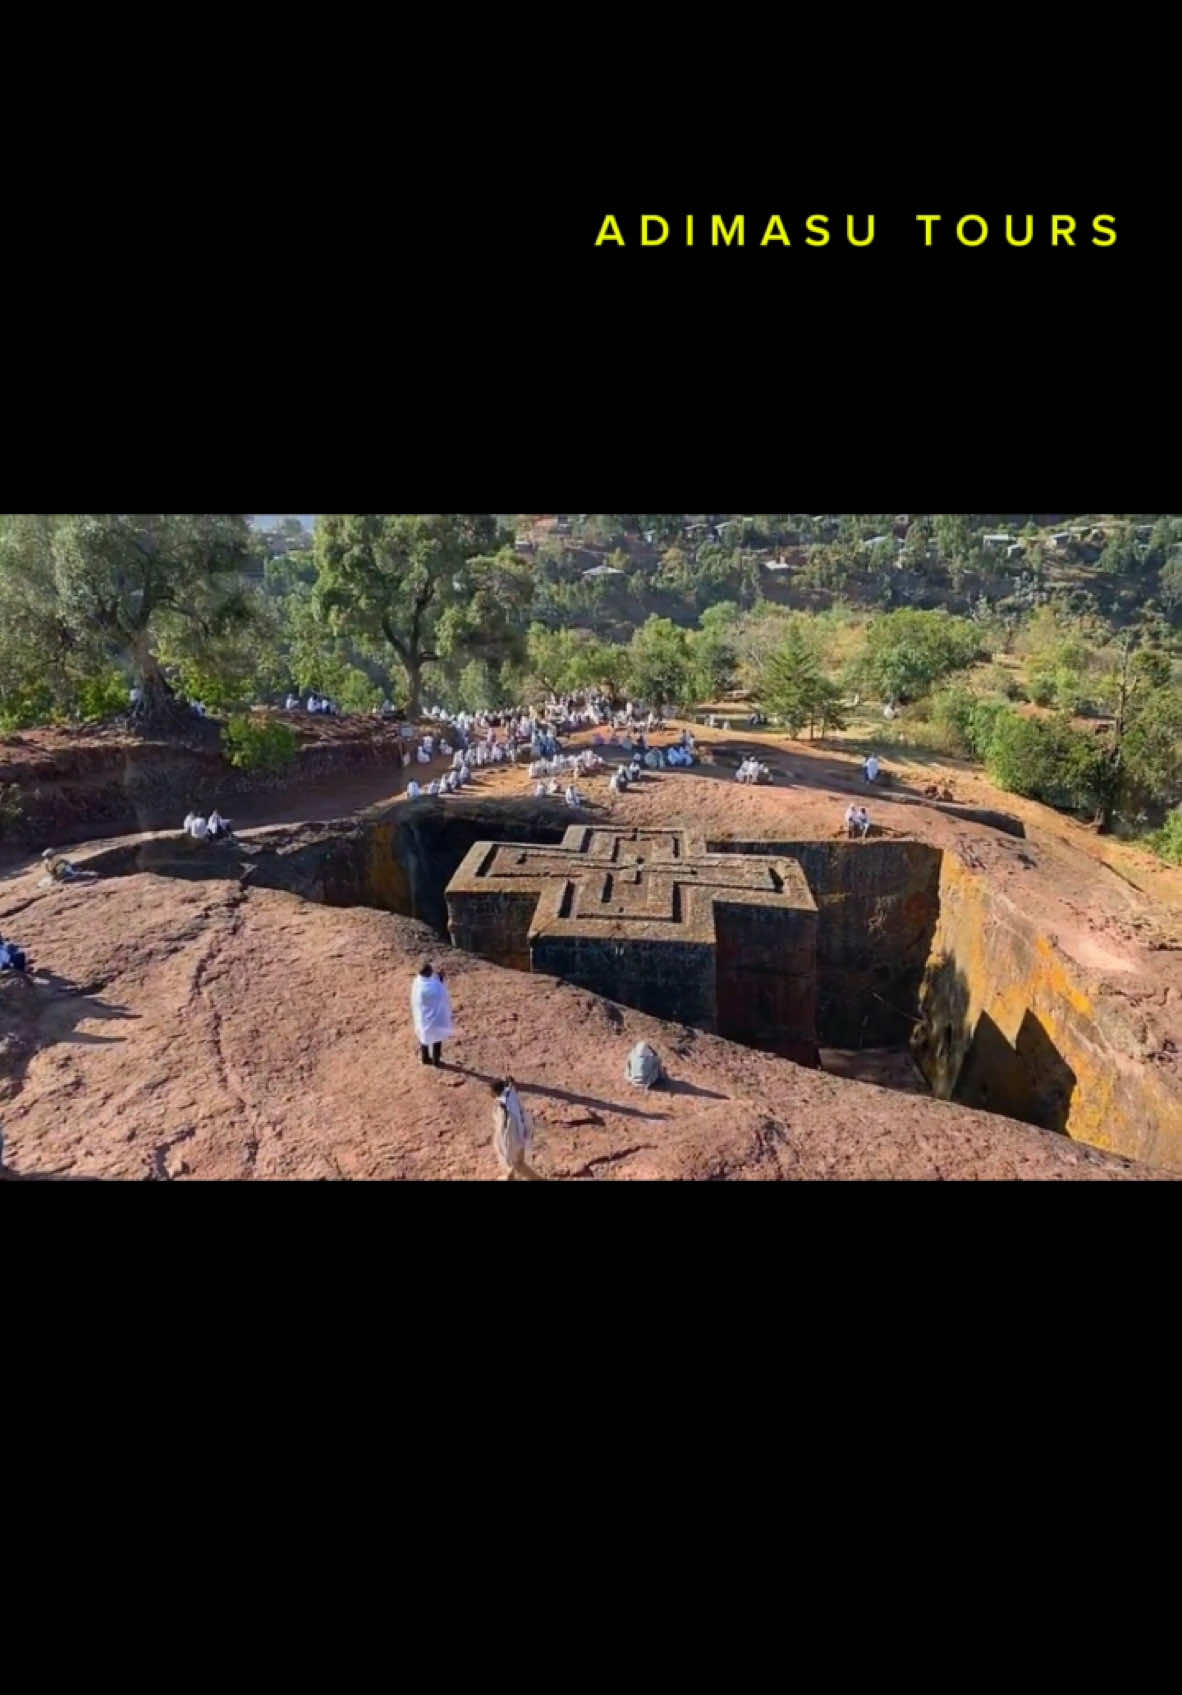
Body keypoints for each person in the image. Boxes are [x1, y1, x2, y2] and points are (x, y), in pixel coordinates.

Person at [490, 1076, 537, 1180]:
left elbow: (507, 1131)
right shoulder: (511, 1093)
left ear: (495, 1092)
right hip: (523, 1130)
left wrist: (506, 1148)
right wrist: (509, 1082)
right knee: (514, 1162)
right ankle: (509, 1176)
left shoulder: (503, 1107)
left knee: (518, 1164)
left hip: (515, 1138)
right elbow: (511, 1086)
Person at [411, 962, 453, 1067]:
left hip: (422, 1017)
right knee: (437, 1038)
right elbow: (442, 994)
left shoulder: (417, 983)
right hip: (435, 1018)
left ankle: (425, 1058)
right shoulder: (435, 985)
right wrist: (440, 979)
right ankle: (436, 1061)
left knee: (423, 1036)